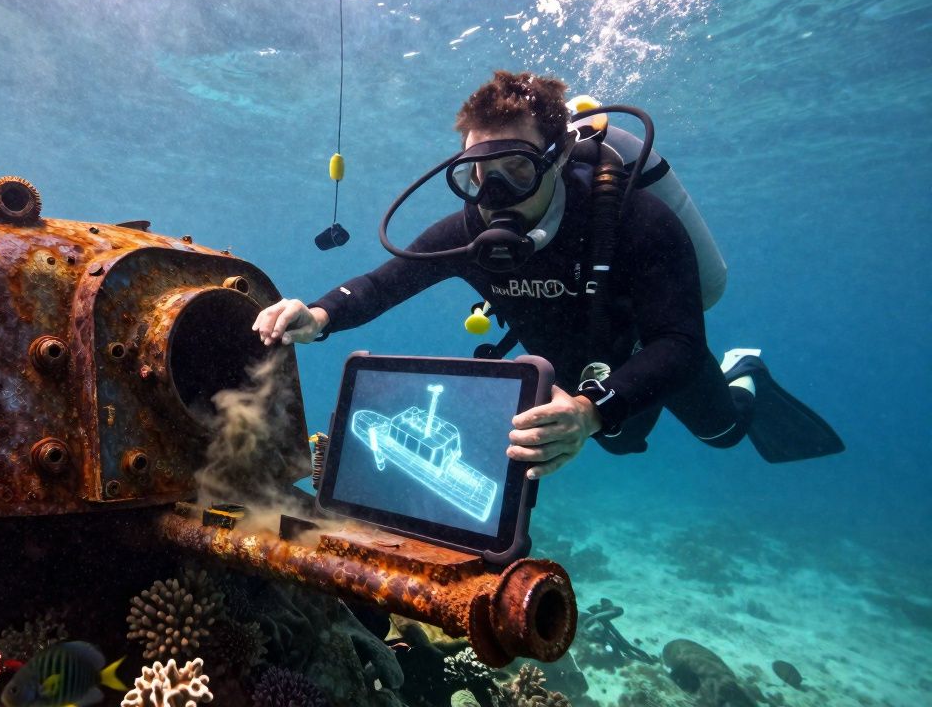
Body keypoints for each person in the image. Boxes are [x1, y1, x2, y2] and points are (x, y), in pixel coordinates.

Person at [253, 71, 841, 478]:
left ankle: (747, 375)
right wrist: (320, 314)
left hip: (649, 349)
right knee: (622, 442)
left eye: (517, 169)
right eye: (479, 174)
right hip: (581, 369)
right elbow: (386, 282)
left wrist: (589, 409)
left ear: (557, 159)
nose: (495, 193)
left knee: (723, 434)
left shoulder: (636, 220)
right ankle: (607, 417)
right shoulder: (467, 233)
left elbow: (681, 342)